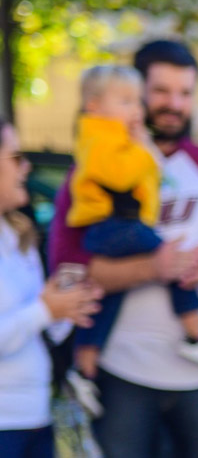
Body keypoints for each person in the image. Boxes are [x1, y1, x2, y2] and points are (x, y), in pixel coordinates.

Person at [49, 39, 198, 458]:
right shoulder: (92, 169)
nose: (173, 104)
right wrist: (154, 266)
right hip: (121, 372)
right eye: (160, 91)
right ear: (133, 92)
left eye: (184, 93)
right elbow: (66, 268)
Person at [68, 65, 198, 379]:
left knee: (108, 298)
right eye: (125, 102)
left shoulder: (115, 136)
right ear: (94, 105)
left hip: (118, 224)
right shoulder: (98, 135)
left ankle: (84, 365)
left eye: (137, 102)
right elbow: (119, 175)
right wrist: (142, 149)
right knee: (173, 261)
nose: (136, 110)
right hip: (113, 225)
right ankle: (196, 335)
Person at [1, 117, 102, 458]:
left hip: (37, 416)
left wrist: (68, 306)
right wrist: (45, 309)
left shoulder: (17, 234)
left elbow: (39, 329)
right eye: (16, 157)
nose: (26, 167)